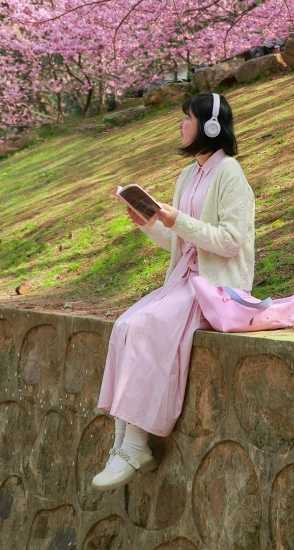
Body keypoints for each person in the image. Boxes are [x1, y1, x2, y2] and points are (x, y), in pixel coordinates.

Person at [93, 91, 255, 489]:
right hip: (182, 279)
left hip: (213, 288)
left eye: (186, 119)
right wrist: (149, 222)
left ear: (210, 127)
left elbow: (231, 241)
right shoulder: (187, 176)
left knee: (148, 325)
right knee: (125, 325)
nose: (180, 125)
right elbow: (180, 241)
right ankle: (123, 445)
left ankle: (135, 444)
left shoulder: (230, 173)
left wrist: (176, 218)